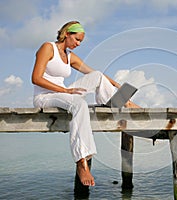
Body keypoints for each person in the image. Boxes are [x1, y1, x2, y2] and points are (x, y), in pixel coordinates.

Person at [31, 21, 139, 187]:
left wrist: (117, 86)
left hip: (63, 93)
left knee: (96, 75)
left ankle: (124, 102)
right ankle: (82, 162)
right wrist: (65, 91)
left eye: (80, 41)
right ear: (66, 33)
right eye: (76, 39)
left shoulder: (69, 56)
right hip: (45, 96)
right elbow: (36, 78)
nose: (78, 44)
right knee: (79, 104)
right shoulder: (48, 47)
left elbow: (95, 74)